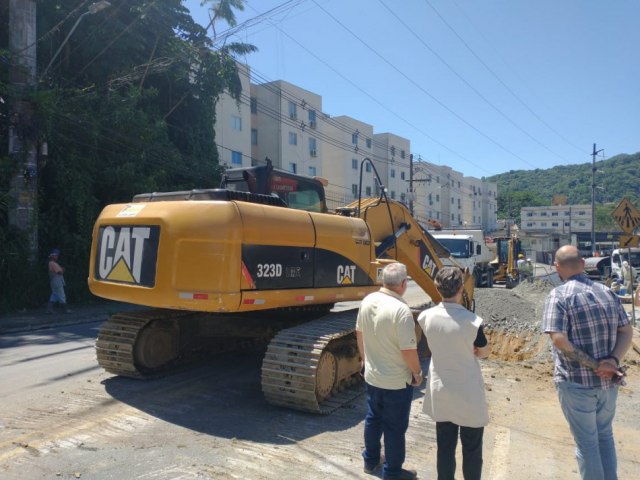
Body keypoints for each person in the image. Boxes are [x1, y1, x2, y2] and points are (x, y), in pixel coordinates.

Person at [542, 245, 633, 480]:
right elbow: (626, 330)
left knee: (587, 444)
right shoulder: (607, 292)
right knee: (605, 436)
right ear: (583, 264)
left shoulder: (559, 295)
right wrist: (612, 361)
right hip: (608, 383)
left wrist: (595, 365)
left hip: (576, 382)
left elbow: (559, 339)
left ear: (557, 267)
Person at [417, 267, 490, 480]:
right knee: (472, 449)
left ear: (437, 289)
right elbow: (483, 353)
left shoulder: (425, 317)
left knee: (445, 447)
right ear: (461, 289)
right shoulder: (473, 321)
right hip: (468, 393)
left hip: (442, 390)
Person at [356, 262, 421, 480]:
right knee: (394, 427)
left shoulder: (368, 300)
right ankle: (392, 473)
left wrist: (365, 361)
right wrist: (417, 373)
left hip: (373, 377)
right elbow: (408, 350)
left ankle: (370, 460)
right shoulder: (401, 311)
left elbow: (359, 333)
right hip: (396, 382)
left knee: (374, 418)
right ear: (403, 284)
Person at [47, 248, 71, 314]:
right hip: (56, 281)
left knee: (54, 295)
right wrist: (63, 269)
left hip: (54, 281)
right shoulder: (53, 263)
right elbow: (60, 272)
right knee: (61, 295)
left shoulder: (52, 263)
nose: (57, 256)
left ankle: (49, 309)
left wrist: (62, 270)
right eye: (56, 255)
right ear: (53, 256)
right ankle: (65, 309)